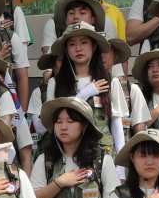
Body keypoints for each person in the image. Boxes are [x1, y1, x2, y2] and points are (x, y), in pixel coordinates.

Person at [43, 22, 127, 156]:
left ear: (93, 46)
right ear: (66, 49)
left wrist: (121, 167)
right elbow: (52, 122)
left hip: (103, 154)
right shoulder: (55, 82)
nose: (78, 48)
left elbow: (116, 123)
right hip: (69, 154)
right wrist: (85, 93)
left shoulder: (110, 82)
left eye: (84, 42)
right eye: (72, 44)